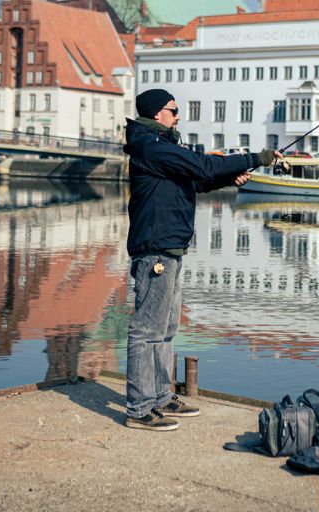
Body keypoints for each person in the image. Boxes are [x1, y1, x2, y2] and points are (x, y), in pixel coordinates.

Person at [122, 88, 279, 431]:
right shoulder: (151, 146)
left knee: (166, 330)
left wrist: (227, 177)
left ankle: (161, 396)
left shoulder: (162, 147)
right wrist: (255, 157)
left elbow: (194, 180)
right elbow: (202, 164)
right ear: (156, 113)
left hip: (172, 247)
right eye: (173, 109)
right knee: (146, 330)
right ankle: (139, 407)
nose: (178, 115)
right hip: (155, 249)